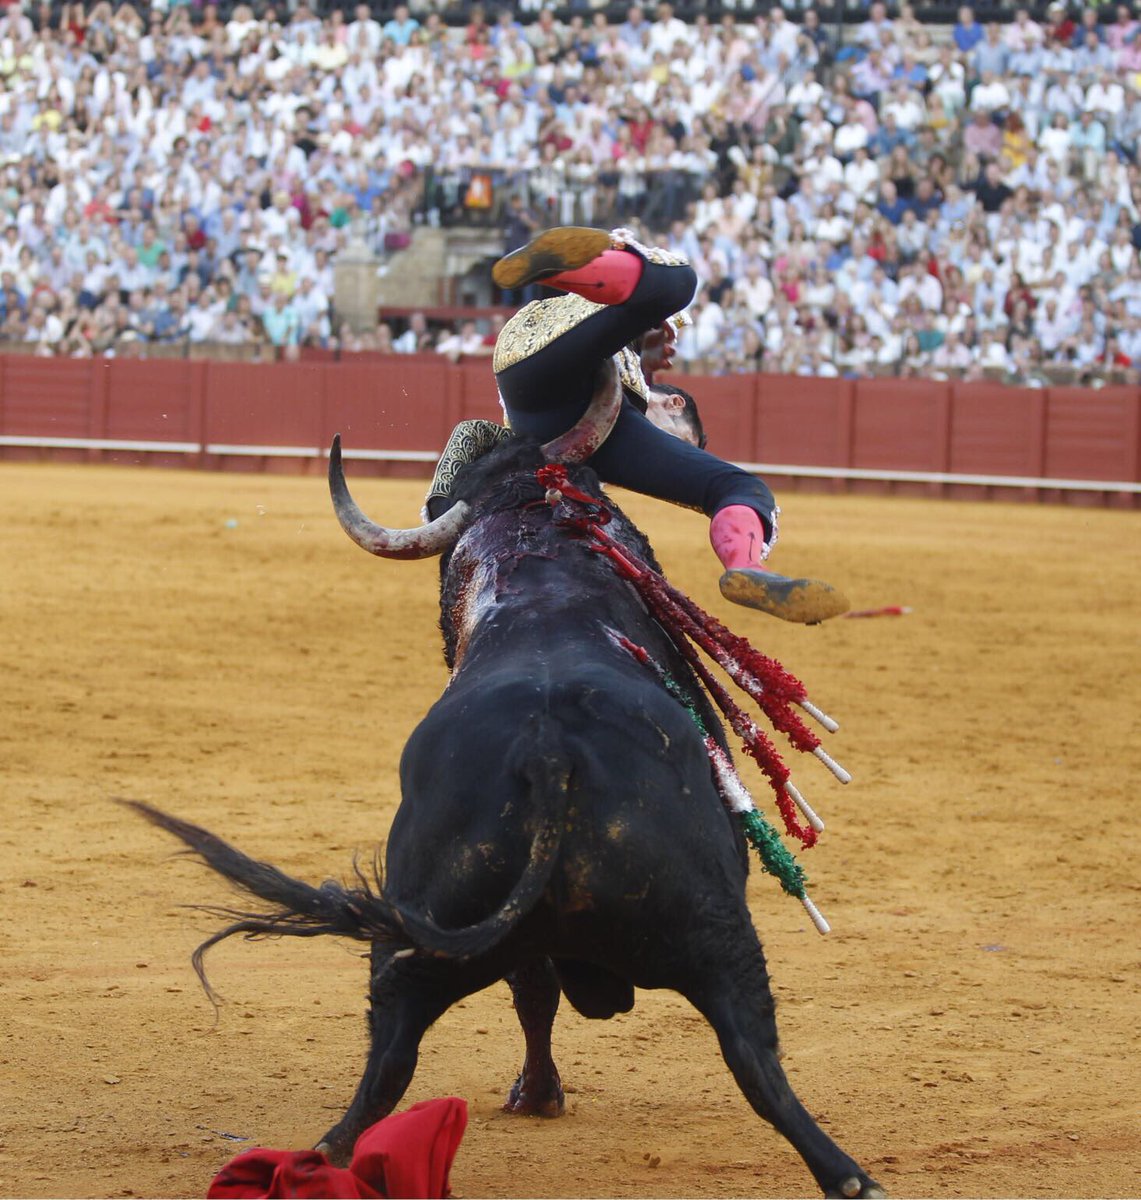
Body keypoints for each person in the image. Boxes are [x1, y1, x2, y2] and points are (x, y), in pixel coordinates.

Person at [436, 226, 848, 625]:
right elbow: (653, 291)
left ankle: (747, 568)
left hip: (574, 422)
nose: (671, 352)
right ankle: (555, 265)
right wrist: (620, 250)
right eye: (671, 333)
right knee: (679, 281)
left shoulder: (629, 383)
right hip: (550, 368)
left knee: (740, 486)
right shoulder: (602, 320)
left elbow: (469, 434)